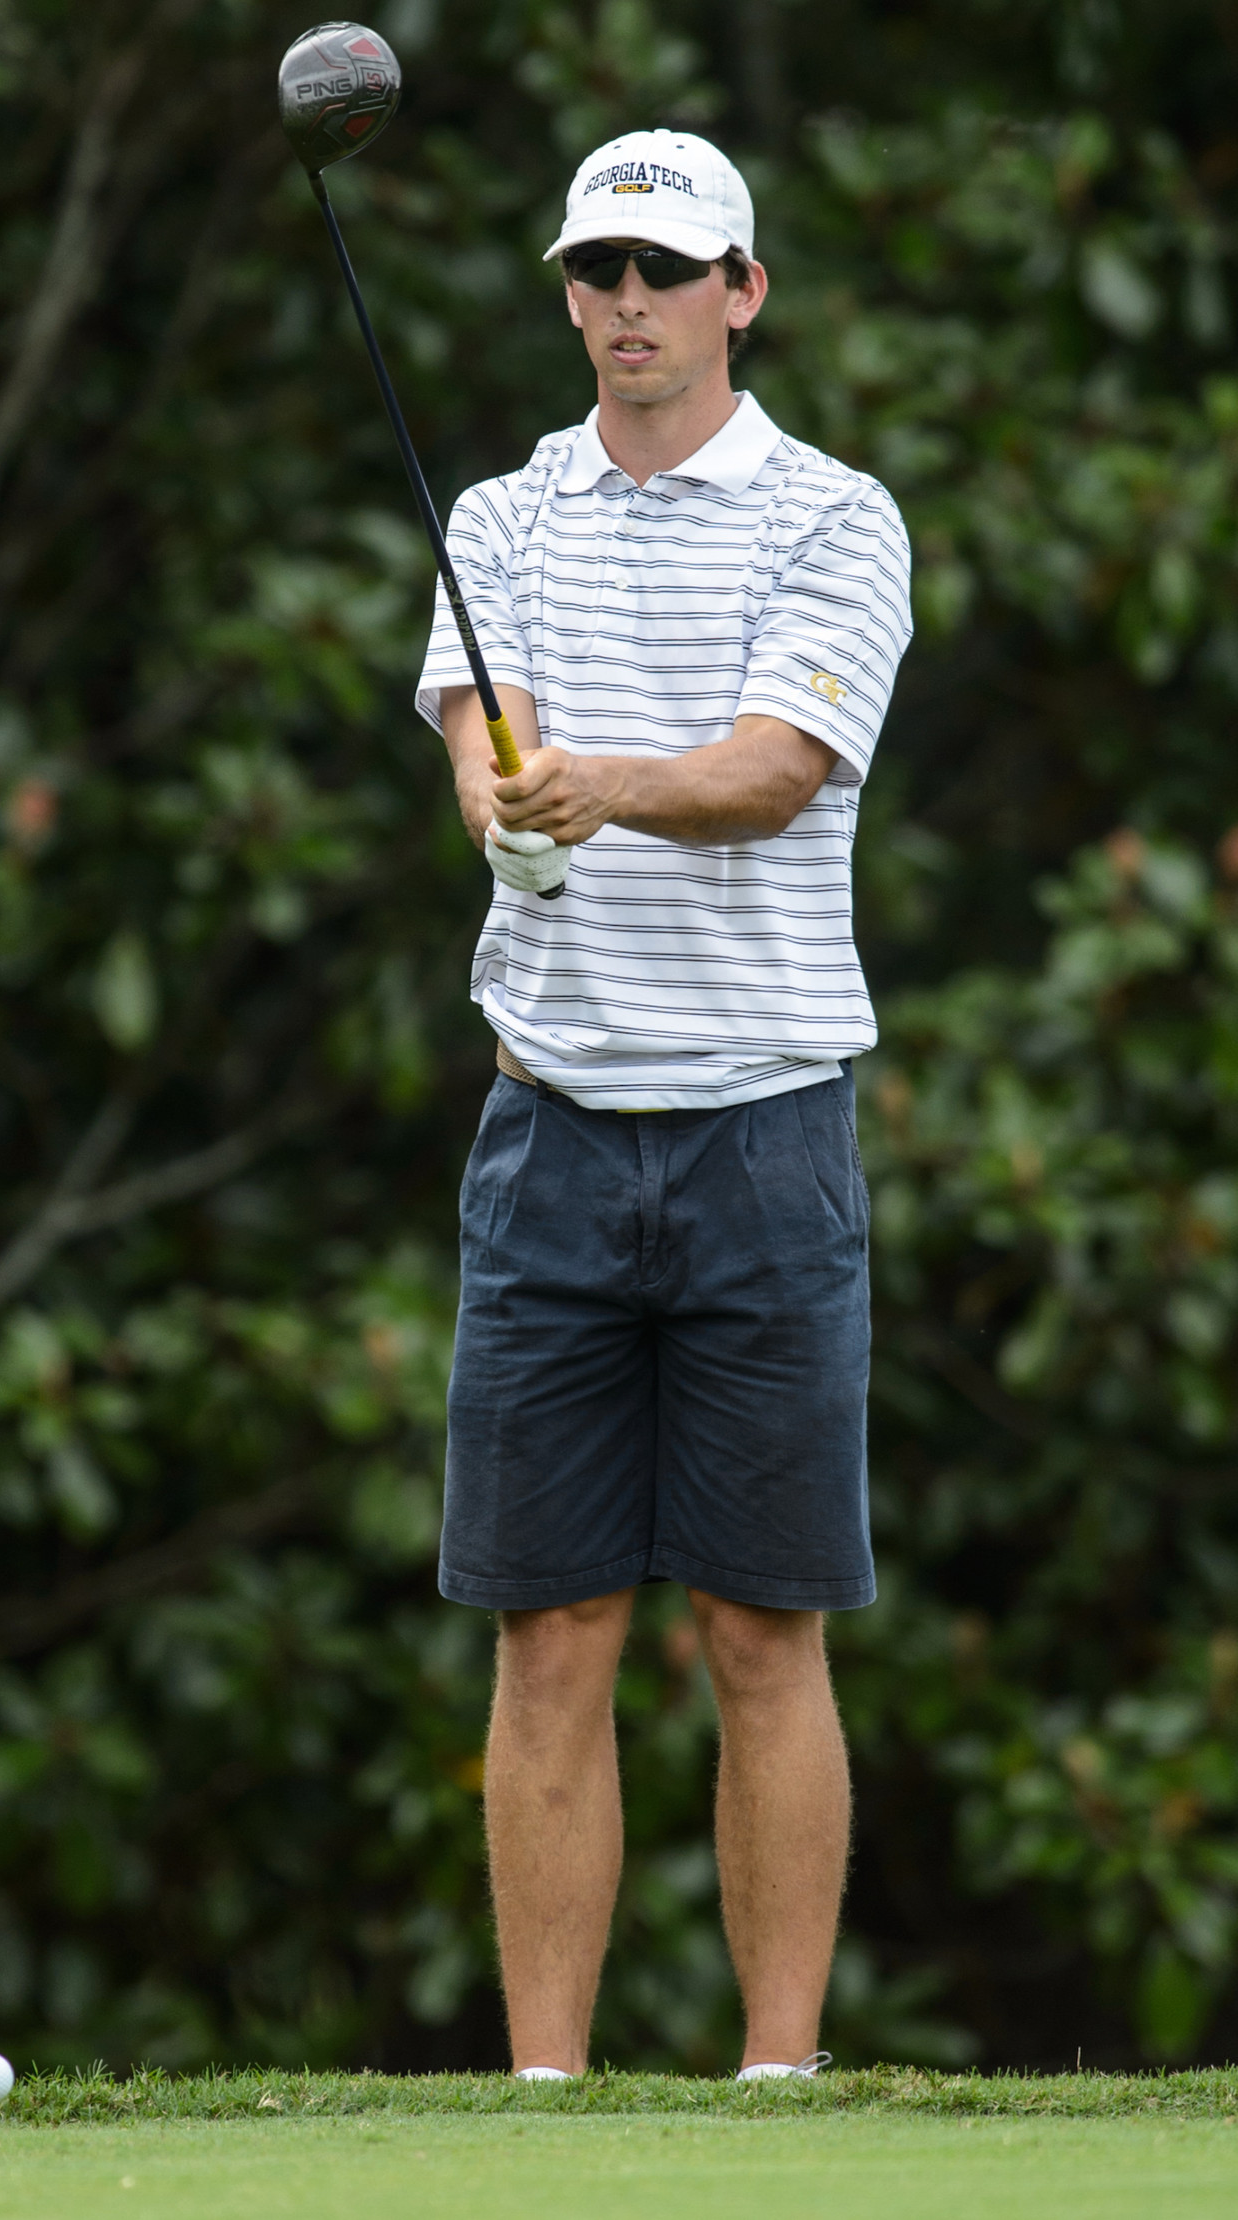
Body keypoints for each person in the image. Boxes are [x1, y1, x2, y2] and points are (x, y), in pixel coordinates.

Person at [415, 128, 912, 2083]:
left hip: (761, 1134)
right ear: (568, 293)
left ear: (741, 291)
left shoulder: (834, 515)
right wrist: (509, 807)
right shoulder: (501, 516)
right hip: (546, 1129)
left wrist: (590, 787)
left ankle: (773, 2082)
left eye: (664, 269)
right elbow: (480, 743)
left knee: (761, 1628)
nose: (627, 302)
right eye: (597, 269)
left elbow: (779, 764)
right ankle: (549, 2098)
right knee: (548, 1635)